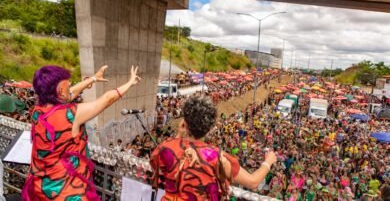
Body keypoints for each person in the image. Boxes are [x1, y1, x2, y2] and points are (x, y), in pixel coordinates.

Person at [22, 65, 140, 200]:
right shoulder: (71, 115)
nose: (71, 87)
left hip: (42, 186)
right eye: (68, 85)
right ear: (60, 91)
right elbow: (107, 99)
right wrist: (130, 82)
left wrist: (93, 79)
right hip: (67, 190)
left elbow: (69, 94)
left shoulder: (38, 110)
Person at [150, 97, 277, 200]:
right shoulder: (215, 156)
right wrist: (268, 162)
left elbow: (158, 161)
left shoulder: (166, 147)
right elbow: (253, 182)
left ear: (185, 123)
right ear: (210, 129)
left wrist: (179, 134)